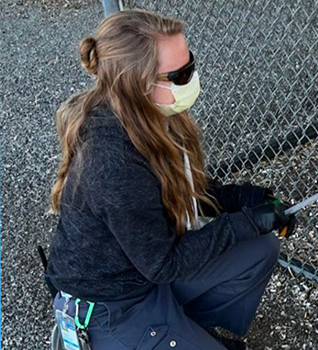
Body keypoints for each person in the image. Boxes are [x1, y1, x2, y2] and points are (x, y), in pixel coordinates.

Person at [46, 9, 296, 350]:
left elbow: (167, 188)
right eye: (181, 74)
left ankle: (183, 326)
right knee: (247, 237)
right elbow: (163, 264)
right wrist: (244, 224)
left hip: (144, 274)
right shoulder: (112, 162)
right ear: (139, 84)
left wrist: (237, 198)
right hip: (113, 305)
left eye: (190, 63)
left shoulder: (149, 114)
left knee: (259, 247)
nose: (192, 78)